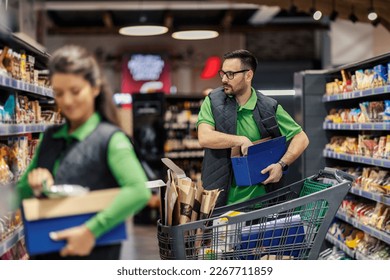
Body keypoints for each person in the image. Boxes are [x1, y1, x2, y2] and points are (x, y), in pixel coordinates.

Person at [16, 45, 151, 259]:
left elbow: (138, 191)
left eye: (75, 91)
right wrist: (34, 182)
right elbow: (20, 194)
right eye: (59, 93)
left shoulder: (110, 139)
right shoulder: (50, 137)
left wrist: (91, 231)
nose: (67, 101)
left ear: (95, 88)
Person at [197, 49, 309, 207]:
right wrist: (239, 140)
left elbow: (301, 138)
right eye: (222, 73)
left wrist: (282, 165)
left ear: (248, 75)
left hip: (261, 204)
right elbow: (204, 137)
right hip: (221, 203)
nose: (223, 79)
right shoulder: (213, 102)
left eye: (230, 74)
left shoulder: (269, 107)